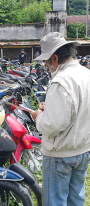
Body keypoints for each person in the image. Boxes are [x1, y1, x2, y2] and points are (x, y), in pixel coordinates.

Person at [31, 32, 90, 206]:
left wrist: (38, 116)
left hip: (60, 155)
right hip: (83, 149)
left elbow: (51, 126)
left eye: (46, 61)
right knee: (76, 199)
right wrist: (49, 109)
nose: (46, 65)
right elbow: (78, 108)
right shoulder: (86, 74)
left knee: (55, 202)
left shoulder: (61, 81)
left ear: (55, 58)